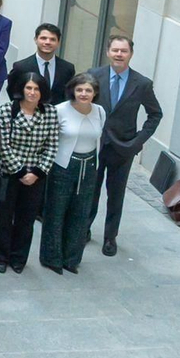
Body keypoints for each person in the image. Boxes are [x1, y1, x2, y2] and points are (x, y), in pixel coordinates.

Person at [88, 36, 162, 255]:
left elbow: (155, 114)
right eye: (115, 50)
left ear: (130, 54)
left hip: (123, 147)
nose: (119, 54)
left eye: (124, 51)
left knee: (116, 194)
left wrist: (137, 141)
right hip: (95, 144)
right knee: (90, 191)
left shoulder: (142, 83)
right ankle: (84, 229)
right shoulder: (94, 75)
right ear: (108, 52)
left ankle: (110, 237)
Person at [0, 72, 59, 274]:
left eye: (36, 89)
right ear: (21, 89)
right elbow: (3, 145)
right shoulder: (6, 110)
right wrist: (19, 171)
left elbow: (52, 145)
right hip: (10, 172)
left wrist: (37, 172)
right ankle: (0, 256)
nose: (32, 92)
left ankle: (19, 258)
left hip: (36, 175)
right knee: (4, 217)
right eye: (28, 88)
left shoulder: (50, 112)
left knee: (26, 218)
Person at [42, 74, 107, 274]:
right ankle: (52, 258)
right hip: (62, 166)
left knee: (81, 213)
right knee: (56, 212)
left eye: (88, 90)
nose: (83, 94)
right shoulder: (59, 110)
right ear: (72, 91)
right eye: (79, 90)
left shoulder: (100, 111)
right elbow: (49, 139)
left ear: (95, 93)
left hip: (89, 166)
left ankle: (72, 258)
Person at [9, 23, 75, 105]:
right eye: (43, 38)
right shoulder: (21, 67)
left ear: (58, 42)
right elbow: (13, 92)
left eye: (52, 39)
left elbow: (68, 94)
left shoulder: (67, 68)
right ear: (35, 40)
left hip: (57, 111)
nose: (48, 42)